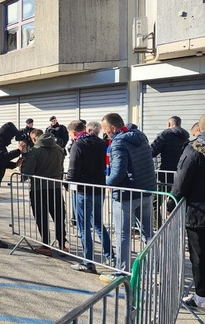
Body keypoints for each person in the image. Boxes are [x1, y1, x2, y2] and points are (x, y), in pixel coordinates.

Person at [100, 113, 156, 282]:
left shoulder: (119, 142)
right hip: (146, 191)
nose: (106, 134)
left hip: (127, 194)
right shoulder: (141, 136)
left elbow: (118, 172)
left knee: (123, 235)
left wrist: (106, 184)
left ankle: (121, 272)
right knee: (148, 234)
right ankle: (152, 269)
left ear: (113, 128)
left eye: (106, 130)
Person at [167, 115, 205, 308]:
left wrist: (170, 204)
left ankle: (201, 297)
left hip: (199, 214)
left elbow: (181, 182)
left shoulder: (195, 150)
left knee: (199, 257)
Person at [66, 120, 113, 273]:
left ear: (73, 133)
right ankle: (110, 256)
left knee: (83, 226)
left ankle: (88, 262)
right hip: (98, 189)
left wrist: (68, 185)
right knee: (98, 223)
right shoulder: (102, 144)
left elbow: (73, 170)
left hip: (82, 191)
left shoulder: (78, 145)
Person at [21, 132, 67, 254]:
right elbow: (61, 167)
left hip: (38, 188)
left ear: (35, 138)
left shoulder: (35, 150)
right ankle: (62, 244)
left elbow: (27, 172)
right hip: (56, 187)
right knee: (58, 216)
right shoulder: (58, 149)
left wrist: (23, 168)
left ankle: (46, 244)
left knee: (41, 217)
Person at [151, 116, 189, 188]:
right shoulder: (185, 137)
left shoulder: (164, 135)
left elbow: (152, 151)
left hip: (165, 173)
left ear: (168, 124)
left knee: (163, 195)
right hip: (180, 173)